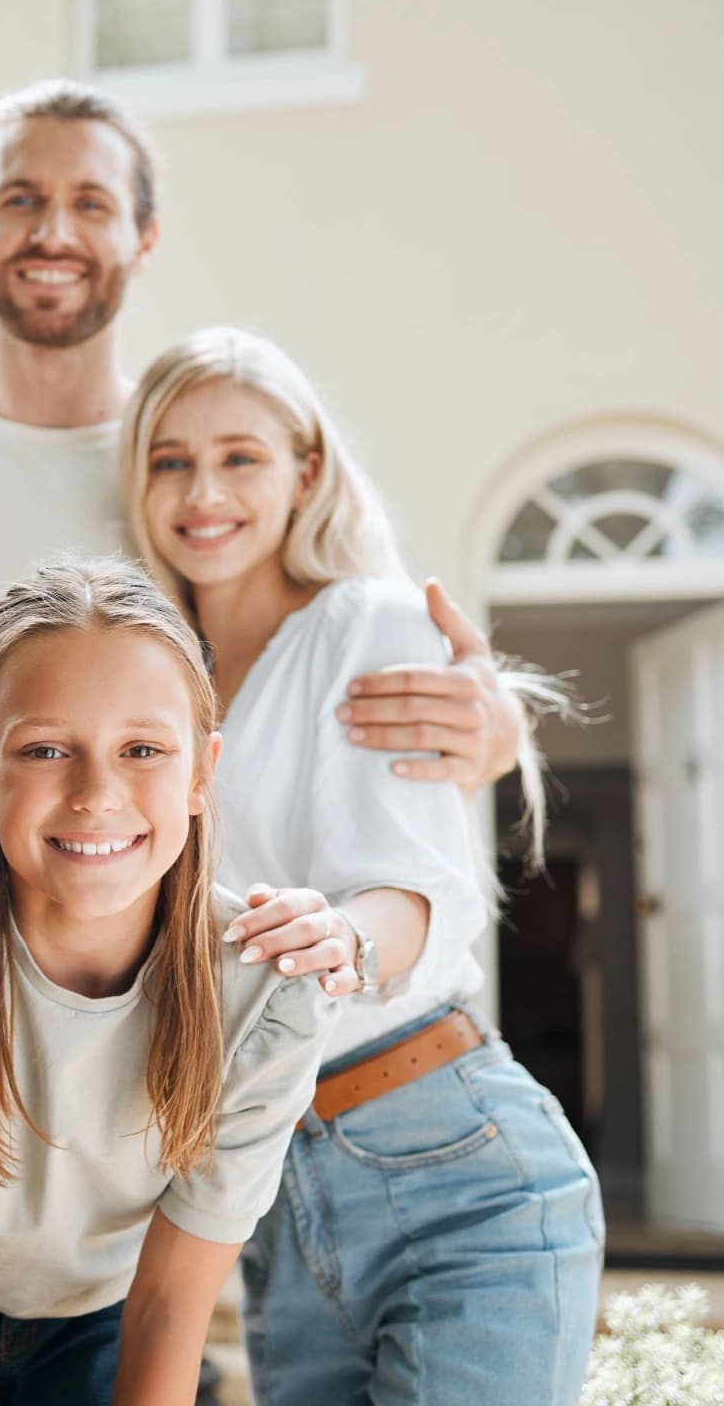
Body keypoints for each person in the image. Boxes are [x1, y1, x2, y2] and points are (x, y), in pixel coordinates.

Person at [0, 80, 529, 875]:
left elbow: (353, 648)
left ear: (145, 236)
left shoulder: (202, 482)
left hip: (161, 981)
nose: (54, 232)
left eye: (92, 204)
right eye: (21, 198)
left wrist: (501, 723)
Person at [123, 327, 604, 1405]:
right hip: (267, 1188)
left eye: (239, 456)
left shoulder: (370, 621)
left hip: (452, 1166)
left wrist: (339, 938)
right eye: (169, 459)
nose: (202, 489)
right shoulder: (155, 680)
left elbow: (415, 885)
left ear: (303, 472)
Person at [0, 558, 337, 1406]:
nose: (97, 794)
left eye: (143, 750)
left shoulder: (266, 996)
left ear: (201, 773)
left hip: (116, 1309)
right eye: (46, 749)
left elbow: (169, 1305)